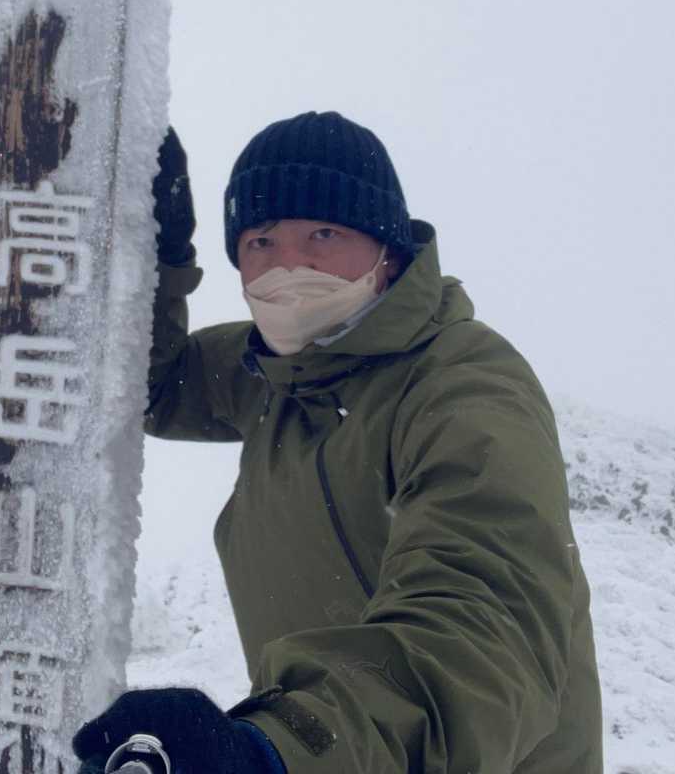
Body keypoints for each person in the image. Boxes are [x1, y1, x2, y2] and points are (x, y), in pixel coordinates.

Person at [72, 111, 602, 774]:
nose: (289, 264)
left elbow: (482, 628)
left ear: (388, 249)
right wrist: (156, 257)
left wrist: (271, 753)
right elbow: (150, 385)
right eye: (262, 240)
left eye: (323, 233)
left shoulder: (461, 384)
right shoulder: (273, 373)